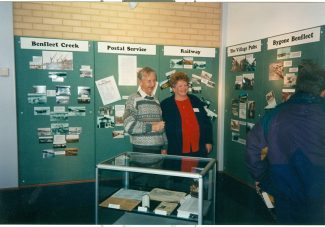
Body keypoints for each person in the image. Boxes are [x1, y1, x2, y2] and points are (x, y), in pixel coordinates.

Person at [246, 60, 325, 224]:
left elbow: (252, 146)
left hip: (284, 189)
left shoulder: (275, 114)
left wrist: (262, 176)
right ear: (322, 91)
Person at [161, 72, 213, 158]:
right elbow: (162, 129)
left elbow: (206, 122)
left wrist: (208, 141)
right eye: (180, 86)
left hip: (198, 148)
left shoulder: (195, 100)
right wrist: (163, 147)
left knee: (197, 171)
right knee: (178, 171)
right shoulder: (166, 105)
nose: (184, 88)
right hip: (176, 149)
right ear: (173, 88)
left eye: (185, 85)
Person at [123, 67, 167, 154]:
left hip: (158, 148)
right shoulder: (133, 99)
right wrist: (152, 127)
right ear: (140, 82)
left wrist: (164, 146)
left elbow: (161, 125)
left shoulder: (156, 100)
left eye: (154, 81)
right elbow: (128, 126)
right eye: (149, 81)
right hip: (142, 149)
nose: (152, 84)